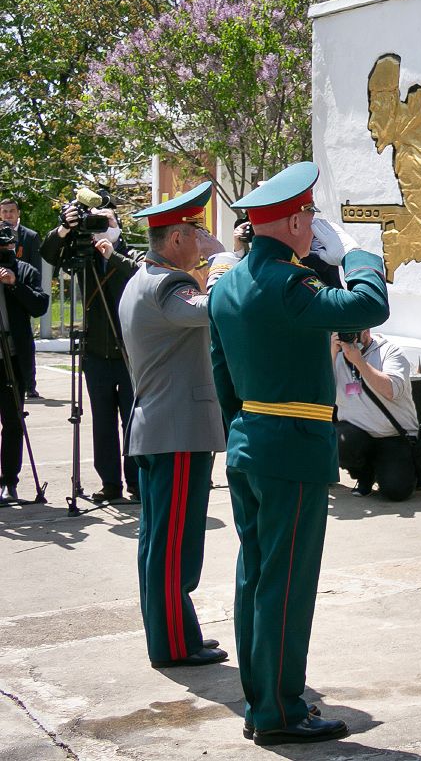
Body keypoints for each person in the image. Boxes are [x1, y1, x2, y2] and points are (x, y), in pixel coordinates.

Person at [209, 162, 388, 746]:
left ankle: (260, 700)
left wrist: (247, 430)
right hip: (292, 449)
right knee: (286, 584)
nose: (313, 223)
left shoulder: (227, 285)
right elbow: (368, 307)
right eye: (308, 214)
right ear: (290, 222)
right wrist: (359, 256)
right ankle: (280, 712)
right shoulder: (290, 283)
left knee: (256, 576)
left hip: (249, 442)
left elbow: (222, 378)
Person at [117, 181, 230, 668]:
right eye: (197, 233)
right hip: (177, 429)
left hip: (161, 426)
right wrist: (224, 262)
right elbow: (216, 310)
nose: (203, 241)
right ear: (178, 238)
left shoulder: (143, 279)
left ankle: (177, 636)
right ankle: (173, 645)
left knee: (161, 542)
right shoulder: (168, 284)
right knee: (172, 548)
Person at [41, 197, 138, 502]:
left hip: (130, 354)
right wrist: (64, 229)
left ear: (118, 225)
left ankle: (137, 483)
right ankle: (110, 483)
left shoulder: (130, 253)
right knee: (103, 423)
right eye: (97, 221)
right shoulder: (85, 256)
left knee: (133, 421)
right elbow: (48, 254)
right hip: (96, 352)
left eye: (107, 221)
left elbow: (141, 275)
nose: (102, 226)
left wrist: (113, 254)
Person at [333, 328, 421, 501]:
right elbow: (322, 394)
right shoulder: (336, 355)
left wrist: (359, 362)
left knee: (396, 492)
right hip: (356, 434)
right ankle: (364, 474)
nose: (349, 337)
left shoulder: (390, 351)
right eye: (344, 332)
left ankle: (408, 470)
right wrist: (332, 352)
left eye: (354, 332)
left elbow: (391, 390)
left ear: (366, 331)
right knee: (335, 440)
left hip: (393, 435)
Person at [0, 224, 48, 502]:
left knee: (13, 422)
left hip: (13, 357)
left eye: (7, 245)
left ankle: (9, 481)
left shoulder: (25, 270)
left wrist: (14, 284)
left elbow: (40, 306)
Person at [1, 198, 44, 399]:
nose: (8, 215)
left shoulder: (30, 237)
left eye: (12, 211)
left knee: (23, 341)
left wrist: (16, 282)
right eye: (4, 211)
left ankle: (29, 384)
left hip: (21, 292)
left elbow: (35, 270)